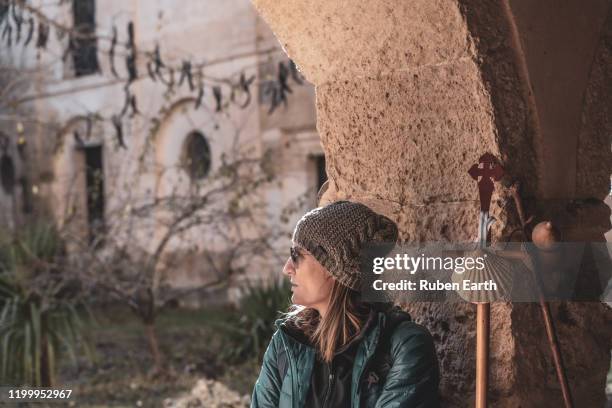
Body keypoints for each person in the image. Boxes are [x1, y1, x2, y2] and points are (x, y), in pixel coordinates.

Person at [251, 200, 440, 407]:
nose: (287, 268)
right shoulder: (287, 342)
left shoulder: (404, 347)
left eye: (296, 255)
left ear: (333, 267)